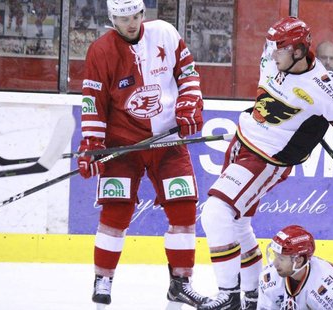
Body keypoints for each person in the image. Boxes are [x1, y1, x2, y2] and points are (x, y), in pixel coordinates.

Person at [199, 16, 333, 310]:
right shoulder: (271, 60)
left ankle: (229, 294)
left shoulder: (324, 87)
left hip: (265, 159)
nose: (270, 52)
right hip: (241, 142)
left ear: (298, 50)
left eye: (279, 47)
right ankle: (252, 297)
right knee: (239, 222)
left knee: (216, 214)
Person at [78, 0, 206, 308]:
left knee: (184, 210)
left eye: (136, 16)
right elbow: (93, 101)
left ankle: (180, 285)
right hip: (124, 145)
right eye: (124, 18)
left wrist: (189, 104)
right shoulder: (101, 51)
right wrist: (92, 146)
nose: (132, 23)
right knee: (116, 211)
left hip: (168, 141)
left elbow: (188, 73)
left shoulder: (165, 34)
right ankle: (103, 279)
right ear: (113, 18)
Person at [257, 225, 333, 309]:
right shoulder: (269, 278)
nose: (275, 263)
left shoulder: (326, 289)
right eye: (275, 256)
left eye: (281, 259)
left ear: (299, 260)